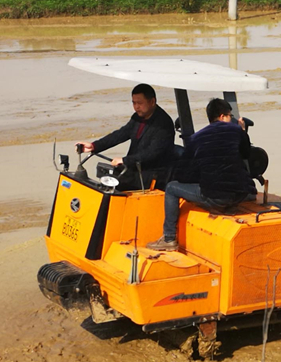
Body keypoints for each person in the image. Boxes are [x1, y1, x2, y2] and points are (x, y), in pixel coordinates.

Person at [147, 98, 256, 251]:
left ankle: (169, 238)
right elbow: (246, 154)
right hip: (239, 195)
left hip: (214, 196)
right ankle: (229, 206)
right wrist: (243, 131)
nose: (231, 119)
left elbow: (184, 173)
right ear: (223, 116)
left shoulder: (197, 138)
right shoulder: (236, 130)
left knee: (171, 188)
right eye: (230, 116)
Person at [77, 84, 175, 190]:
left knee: (113, 185)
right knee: (104, 178)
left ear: (152, 101)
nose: (136, 107)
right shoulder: (138, 117)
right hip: (134, 169)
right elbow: (120, 134)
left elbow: (152, 153)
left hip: (152, 175)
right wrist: (94, 146)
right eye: (134, 103)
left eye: (140, 103)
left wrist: (125, 160)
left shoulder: (164, 124)